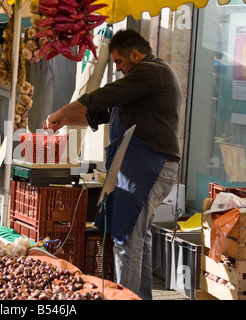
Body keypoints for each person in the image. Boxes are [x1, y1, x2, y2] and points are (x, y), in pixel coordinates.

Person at [43, 29, 181, 300]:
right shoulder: (139, 86)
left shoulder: (152, 71)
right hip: (139, 169)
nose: (116, 69)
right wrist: (66, 119)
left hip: (150, 168)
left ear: (135, 54)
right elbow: (99, 112)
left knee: (127, 240)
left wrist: (62, 111)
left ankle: (124, 297)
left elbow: (105, 95)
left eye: (118, 62)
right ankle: (139, 297)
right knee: (138, 237)